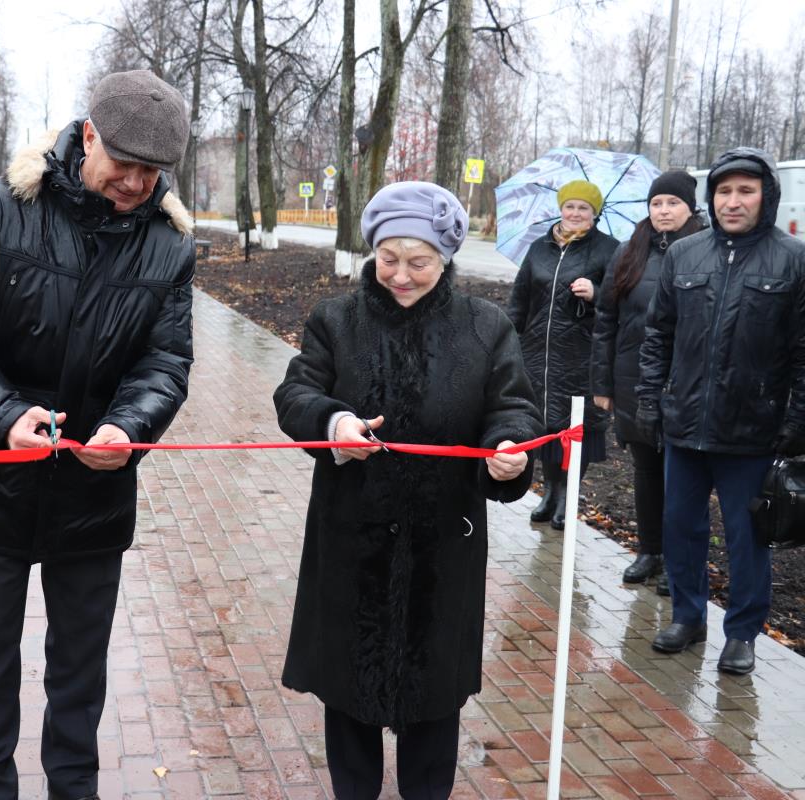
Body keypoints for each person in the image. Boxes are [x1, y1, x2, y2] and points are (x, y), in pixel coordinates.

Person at [0, 70, 195, 800]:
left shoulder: (169, 247)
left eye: (152, 170)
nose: (136, 183)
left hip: (92, 493)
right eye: (124, 163)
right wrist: (3, 414)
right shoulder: (1, 208)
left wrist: (127, 428)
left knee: (78, 669)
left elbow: (166, 362)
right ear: (89, 135)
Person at [273, 181, 542, 799]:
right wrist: (333, 421)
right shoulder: (336, 321)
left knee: (433, 696)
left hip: (442, 545)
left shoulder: (484, 327)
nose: (399, 274)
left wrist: (507, 452)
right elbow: (296, 393)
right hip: (351, 537)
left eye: (417, 261)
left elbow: (514, 409)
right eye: (387, 258)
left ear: (446, 257)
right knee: (347, 693)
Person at [637, 147, 805, 675]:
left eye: (745, 191)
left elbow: (802, 351)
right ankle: (688, 616)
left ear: (765, 197)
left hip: (753, 431)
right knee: (680, 527)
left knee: (745, 537)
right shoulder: (685, 255)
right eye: (725, 191)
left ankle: (743, 633)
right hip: (684, 424)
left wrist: (796, 420)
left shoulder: (792, 259)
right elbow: (657, 334)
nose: (733, 202)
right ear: (712, 197)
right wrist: (649, 399)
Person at [591, 171, 705, 591]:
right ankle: (650, 551)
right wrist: (602, 385)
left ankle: (679, 562)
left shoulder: (704, 252)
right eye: (657, 203)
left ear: (690, 207)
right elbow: (606, 320)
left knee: (683, 479)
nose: (663, 211)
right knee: (646, 471)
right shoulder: (629, 251)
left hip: (684, 384)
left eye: (672, 203)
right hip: (631, 379)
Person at [508, 180, 619, 530]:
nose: (575, 213)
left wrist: (596, 293)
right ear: (560, 209)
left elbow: (620, 305)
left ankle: (568, 497)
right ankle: (551, 492)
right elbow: (519, 299)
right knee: (545, 426)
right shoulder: (539, 248)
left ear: (594, 213)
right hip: (537, 356)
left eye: (583, 208)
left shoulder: (608, 250)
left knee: (575, 429)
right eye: (569, 206)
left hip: (581, 357)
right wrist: (507, 340)